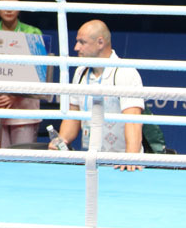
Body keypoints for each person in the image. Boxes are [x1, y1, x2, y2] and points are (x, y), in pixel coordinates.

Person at [48, 19, 144, 171]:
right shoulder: (80, 72)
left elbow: (133, 121)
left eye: (82, 42)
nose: (76, 47)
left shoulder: (125, 72)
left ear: (100, 42)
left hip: (122, 164)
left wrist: (130, 157)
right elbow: (73, 115)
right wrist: (61, 141)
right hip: (92, 161)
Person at [0, 0, 43, 148]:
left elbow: (39, 72)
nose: (9, 9)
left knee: (22, 159)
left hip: (24, 111)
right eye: (4, 4)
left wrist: (14, 96)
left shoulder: (33, 33)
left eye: (13, 4)